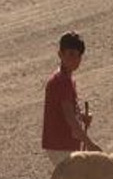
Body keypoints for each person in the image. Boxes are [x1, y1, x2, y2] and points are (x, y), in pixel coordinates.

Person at [43, 31, 100, 169]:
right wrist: (90, 144)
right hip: (62, 145)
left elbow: (67, 112)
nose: (75, 59)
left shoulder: (67, 79)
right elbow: (69, 117)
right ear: (60, 54)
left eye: (78, 56)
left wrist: (81, 117)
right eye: (71, 54)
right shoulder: (62, 81)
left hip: (62, 144)